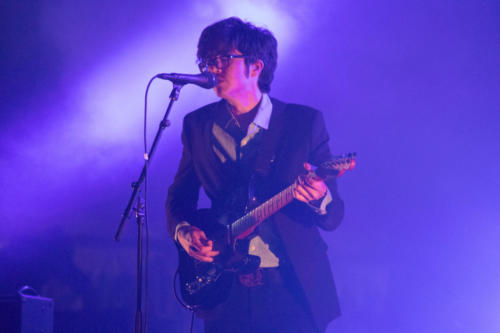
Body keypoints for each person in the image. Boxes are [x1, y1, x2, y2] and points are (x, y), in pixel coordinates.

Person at [166, 17, 344, 333]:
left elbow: (334, 216)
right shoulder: (197, 125)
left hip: (291, 288)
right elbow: (180, 196)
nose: (212, 67)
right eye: (207, 59)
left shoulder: (303, 124)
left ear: (255, 67)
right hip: (224, 290)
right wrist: (183, 232)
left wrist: (320, 197)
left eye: (223, 58)